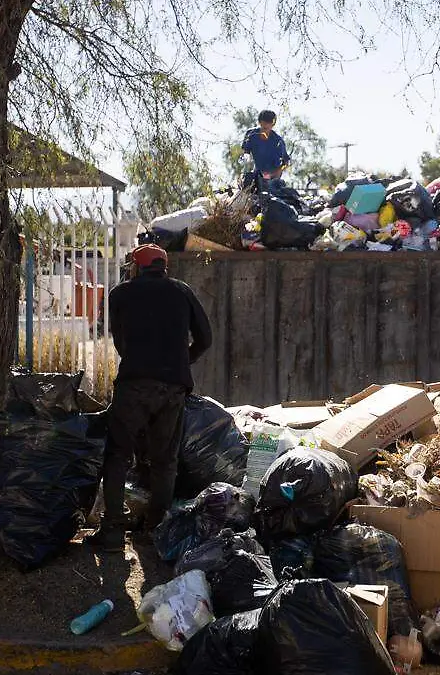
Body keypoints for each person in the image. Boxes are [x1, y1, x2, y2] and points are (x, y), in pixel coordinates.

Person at [88, 243, 213, 551]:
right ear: (163, 266)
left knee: (118, 455)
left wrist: (140, 362)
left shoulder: (121, 294)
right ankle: (156, 528)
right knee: (165, 460)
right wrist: (181, 361)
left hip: (135, 385)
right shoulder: (182, 291)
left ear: (136, 266)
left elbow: (120, 342)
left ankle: (114, 532)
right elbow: (205, 339)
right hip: (173, 388)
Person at [241, 110, 291, 193]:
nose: (266, 126)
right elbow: (246, 151)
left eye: (269, 124)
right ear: (260, 122)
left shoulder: (278, 141)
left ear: (273, 124)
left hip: (272, 178)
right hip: (257, 174)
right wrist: (246, 158)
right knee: (247, 184)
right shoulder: (251, 134)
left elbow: (286, 162)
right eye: (264, 124)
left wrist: (274, 174)